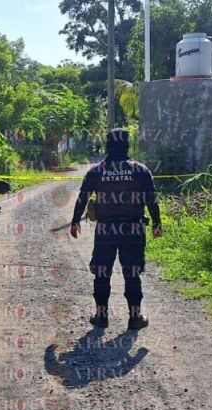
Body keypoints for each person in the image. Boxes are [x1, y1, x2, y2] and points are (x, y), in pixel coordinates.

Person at [70, 129, 163, 330]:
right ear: (127, 146)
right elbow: (151, 200)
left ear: (108, 146)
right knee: (132, 273)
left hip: (105, 230)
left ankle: (101, 316)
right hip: (133, 230)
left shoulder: (97, 171)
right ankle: (135, 317)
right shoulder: (140, 170)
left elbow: (82, 198)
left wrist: (75, 221)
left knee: (102, 273)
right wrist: (157, 223)